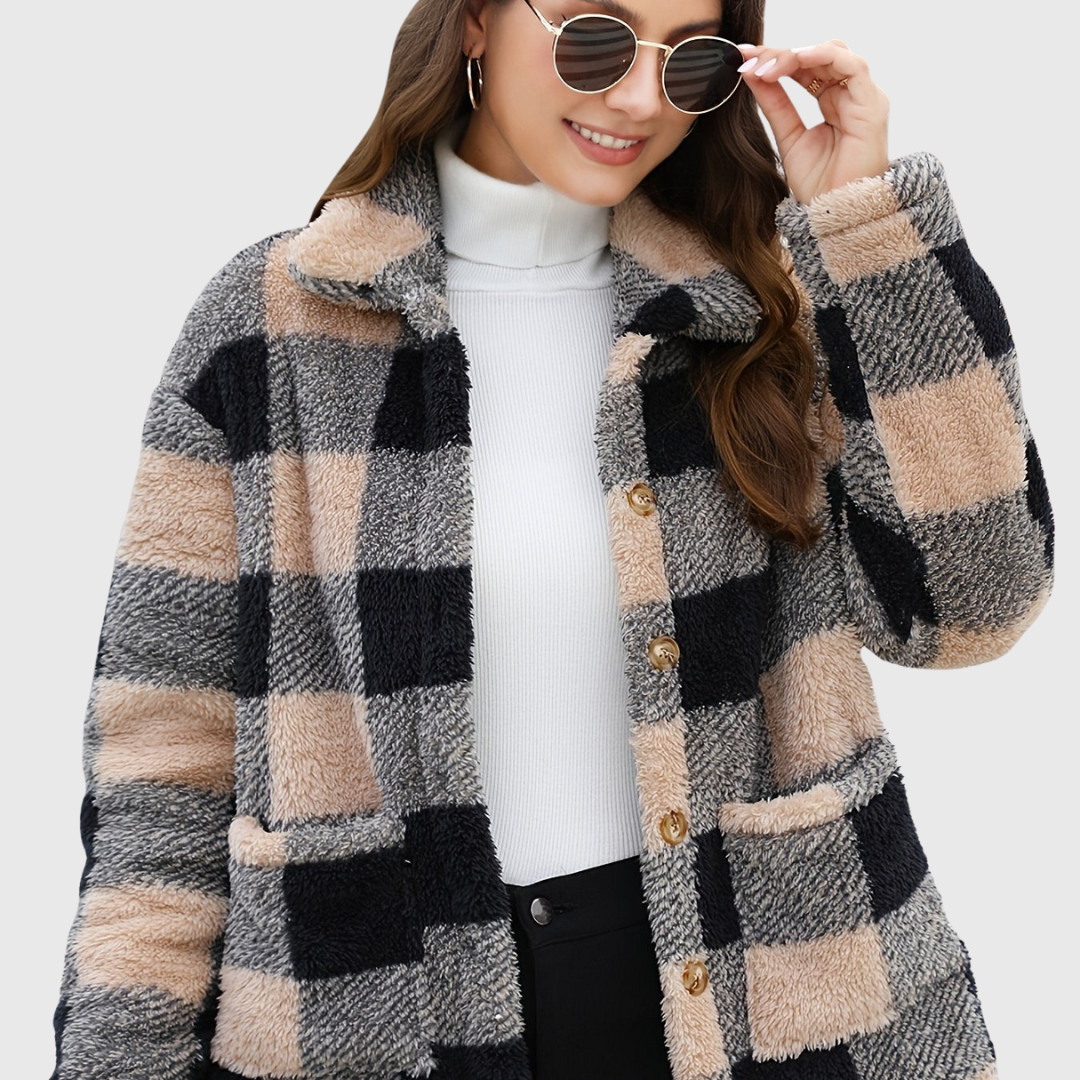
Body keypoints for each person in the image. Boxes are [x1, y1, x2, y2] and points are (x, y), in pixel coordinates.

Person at [47, 1, 1054, 1078]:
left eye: (690, 60)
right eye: (595, 36)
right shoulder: (269, 325)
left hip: (771, 1003)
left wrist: (862, 222)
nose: (640, 98)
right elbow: (163, 761)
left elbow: (975, 607)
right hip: (379, 1008)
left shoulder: (758, 303)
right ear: (476, 23)